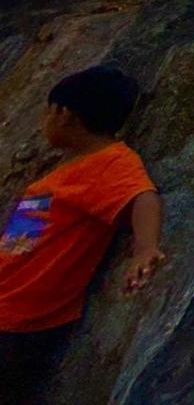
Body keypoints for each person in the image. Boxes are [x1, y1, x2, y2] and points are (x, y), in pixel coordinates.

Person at [0, 65, 165, 400]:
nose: (42, 121)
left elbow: (142, 196)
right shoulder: (71, 166)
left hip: (22, 319)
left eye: (47, 112)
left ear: (65, 115)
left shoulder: (110, 162)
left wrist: (145, 248)